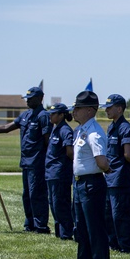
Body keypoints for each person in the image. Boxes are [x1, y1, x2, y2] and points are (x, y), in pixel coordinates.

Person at [0, 85, 51, 233]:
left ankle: (41, 226)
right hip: (26, 162)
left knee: (37, 194)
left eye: (30, 99)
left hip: (38, 163)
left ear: (40, 99)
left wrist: (48, 161)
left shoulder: (43, 116)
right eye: (26, 99)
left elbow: (48, 141)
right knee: (26, 195)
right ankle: (29, 225)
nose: (27, 101)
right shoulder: (25, 115)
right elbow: (6, 127)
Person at [70, 89, 111, 259]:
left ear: (89, 110)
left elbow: (101, 161)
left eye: (78, 108)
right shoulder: (80, 131)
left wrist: (108, 169)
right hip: (80, 184)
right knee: (82, 228)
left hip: (91, 184)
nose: (74, 111)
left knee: (95, 229)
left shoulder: (94, 133)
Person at [101, 93, 130, 254]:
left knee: (120, 215)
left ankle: (127, 246)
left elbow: (128, 154)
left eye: (110, 108)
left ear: (120, 109)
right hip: (110, 177)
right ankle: (113, 243)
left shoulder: (125, 127)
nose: (106, 110)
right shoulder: (112, 126)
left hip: (120, 177)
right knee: (108, 214)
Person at [44, 102, 74, 240]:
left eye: (53, 113)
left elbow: (70, 152)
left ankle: (66, 233)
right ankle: (59, 232)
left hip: (60, 173)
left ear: (61, 115)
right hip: (51, 172)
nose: (50, 115)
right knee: (53, 203)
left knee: (60, 203)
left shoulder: (65, 130)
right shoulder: (55, 129)